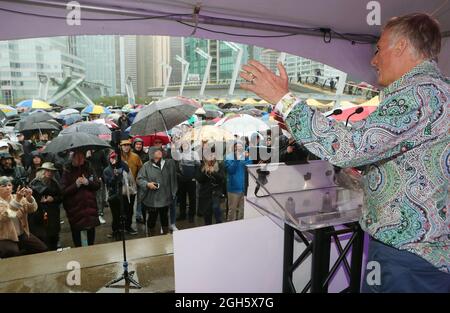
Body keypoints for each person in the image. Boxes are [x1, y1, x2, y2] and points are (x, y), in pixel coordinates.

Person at [240, 13, 449, 292]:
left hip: (410, 256)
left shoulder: (419, 95)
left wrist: (285, 101)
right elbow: (406, 163)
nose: (373, 60)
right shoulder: (434, 93)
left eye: (378, 49)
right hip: (410, 253)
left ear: (400, 46)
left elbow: (349, 146)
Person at [61, 150, 100, 247]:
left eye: (82, 157)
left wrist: (88, 182)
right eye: (78, 157)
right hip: (75, 210)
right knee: (78, 240)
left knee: (91, 239)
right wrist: (76, 184)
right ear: (73, 158)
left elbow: (97, 185)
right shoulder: (67, 171)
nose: (80, 159)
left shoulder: (89, 168)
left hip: (90, 208)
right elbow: (63, 191)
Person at [0, 176, 47, 258]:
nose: (7, 188)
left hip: (21, 233)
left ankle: (23, 258)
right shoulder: (17, 198)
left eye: (9, 185)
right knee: (12, 252)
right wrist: (17, 201)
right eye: (3, 186)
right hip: (5, 237)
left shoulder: (16, 197)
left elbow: (32, 209)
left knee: (41, 248)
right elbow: (6, 216)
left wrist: (29, 198)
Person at [137, 147, 177, 236]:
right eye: (157, 151)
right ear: (151, 153)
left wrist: (173, 192)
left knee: (164, 217)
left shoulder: (168, 163)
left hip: (165, 197)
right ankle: (152, 237)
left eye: (160, 150)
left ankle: (166, 235)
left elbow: (174, 176)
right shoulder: (146, 166)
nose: (160, 152)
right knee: (152, 219)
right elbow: (139, 179)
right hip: (152, 199)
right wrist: (148, 184)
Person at [103, 151, 137, 240]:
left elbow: (129, 176)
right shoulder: (106, 170)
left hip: (125, 194)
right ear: (109, 159)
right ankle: (116, 231)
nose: (114, 160)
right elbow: (108, 183)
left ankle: (128, 227)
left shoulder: (123, 165)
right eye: (112, 158)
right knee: (116, 215)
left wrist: (121, 164)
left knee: (128, 212)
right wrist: (115, 175)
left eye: (116, 158)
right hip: (114, 196)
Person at [29, 162, 62, 251]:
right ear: (42, 171)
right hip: (40, 215)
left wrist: (53, 199)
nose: (50, 173)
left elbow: (61, 196)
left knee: (54, 237)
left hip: (53, 214)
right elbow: (44, 191)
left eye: (52, 171)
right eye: (47, 171)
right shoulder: (35, 182)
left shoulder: (54, 183)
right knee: (44, 240)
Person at [196, 148, 225, 225]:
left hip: (216, 193)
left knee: (216, 209)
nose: (211, 156)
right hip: (205, 194)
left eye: (213, 154)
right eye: (209, 155)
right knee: (207, 214)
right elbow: (199, 179)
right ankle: (208, 229)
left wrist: (213, 172)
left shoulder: (219, 165)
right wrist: (205, 171)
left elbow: (221, 178)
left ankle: (220, 225)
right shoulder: (202, 165)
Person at [224, 142, 252, 221]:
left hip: (244, 188)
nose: (239, 149)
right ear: (234, 148)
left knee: (242, 211)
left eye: (241, 147)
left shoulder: (246, 156)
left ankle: (240, 227)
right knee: (232, 210)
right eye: (237, 147)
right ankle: (230, 227)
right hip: (233, 189)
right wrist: (237, 160)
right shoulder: (228, 157)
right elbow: (231, 170)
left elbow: (249, 165)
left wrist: (246, 157)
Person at [119, 139, 141, 234]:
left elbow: (141, 169)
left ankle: (128, 227)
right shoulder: (117, 157)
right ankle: (120, 228)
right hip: (120, 188)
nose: (126, 147)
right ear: (121, 146)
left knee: (130, 208)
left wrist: (137, 180)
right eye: (124, 145)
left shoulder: (135, 156)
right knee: (121, 209)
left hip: (132, 187)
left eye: (128, 145)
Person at [176, 141, 198, 223]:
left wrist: (195, 177)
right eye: (183, 144)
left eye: (186, 144)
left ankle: (191, 215)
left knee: (192, 198)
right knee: (182, 198)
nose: (184, 145)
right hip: (181, 179)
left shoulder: (194, 153)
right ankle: (182, 215)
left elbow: (198, 166)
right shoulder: (179, 153)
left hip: (191, 179)